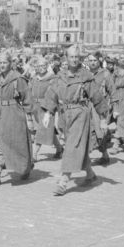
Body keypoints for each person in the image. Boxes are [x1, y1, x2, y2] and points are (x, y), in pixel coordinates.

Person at [42, 45, 106, 196]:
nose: (74, 59)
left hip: (80, 113)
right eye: (71, 57)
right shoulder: (60, 76)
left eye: (77, 57)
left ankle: (63, 181)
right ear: (66, 57)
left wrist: (103, 118)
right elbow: (52, 94)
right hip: (65, 115)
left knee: (72, 146)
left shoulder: (86, 76)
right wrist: (48, 113)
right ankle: (90, 174)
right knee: (76, 146)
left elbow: (96, 96)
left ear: (80, 58)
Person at [0, 51, 34, 187]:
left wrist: (29, 119)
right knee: (0, 143)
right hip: (0, 113)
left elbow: (27, 98)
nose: (1, 65)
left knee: (19, 144)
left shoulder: (18, 79)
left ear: (11, 63)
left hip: (14, 113)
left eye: (4, 62)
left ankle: (25, 166)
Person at [30, 57, 63, 162]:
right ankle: (60, 149)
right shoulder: (34, 78)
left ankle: (34, 154)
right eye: (39, 66)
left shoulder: (53, 78)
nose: (41, 68)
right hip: (35, 107)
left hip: (47, 107)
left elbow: (54, 94)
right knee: (48, 130)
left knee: (41, 130)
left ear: (47, 66)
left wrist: (50, 107)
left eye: (44, 65)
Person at [86, 52, 114, 165]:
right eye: (90, 60)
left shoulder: (106, 74)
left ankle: (89, 155)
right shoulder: (85, 74)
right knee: (90, 129)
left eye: (95, 60)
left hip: (101, 107)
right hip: (88, 106)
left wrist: (115, 108)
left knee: (99, 131)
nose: (93, 63)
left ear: (99, 61)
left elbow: (112, 90)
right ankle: (104, 155)